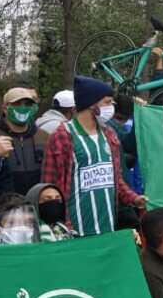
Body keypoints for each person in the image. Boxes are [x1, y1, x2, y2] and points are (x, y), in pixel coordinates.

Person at [42, 76, 147, 237]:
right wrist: (59, 225)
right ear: (91, 104)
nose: (111, 107)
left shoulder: (109, 134)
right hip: (75, 230)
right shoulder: (62, 136)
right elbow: (50, 186)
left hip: (108, 227)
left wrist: (134, 198)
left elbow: (115, 178)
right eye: (107, 102)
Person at [0, 87, 50, 197]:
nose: (22, 108)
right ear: (5, 108)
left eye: (28, 104)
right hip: (4, 202)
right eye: (17, 104)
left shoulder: (43, 136)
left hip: (37, 201)